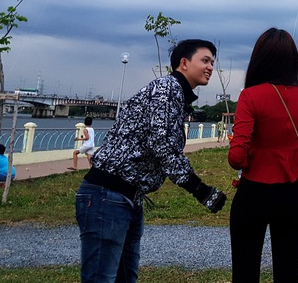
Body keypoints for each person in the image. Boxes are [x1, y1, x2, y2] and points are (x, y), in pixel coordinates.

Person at [75, 39, 226, 283]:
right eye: (205, 60)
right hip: (108, 196)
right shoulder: (167, 89)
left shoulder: (176, 95)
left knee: (126, 277)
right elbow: (162, 144)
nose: (210, 67)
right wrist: (200, 189)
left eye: (212, 62)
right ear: (184, 63)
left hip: (127, 198)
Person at [228, 28, 298, 282]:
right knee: (288, 273)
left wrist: (248, 159)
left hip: (253, 192)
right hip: (291, 193)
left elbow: (236, 157)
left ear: (259, 59)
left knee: (245, 272)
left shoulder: (250, 96)